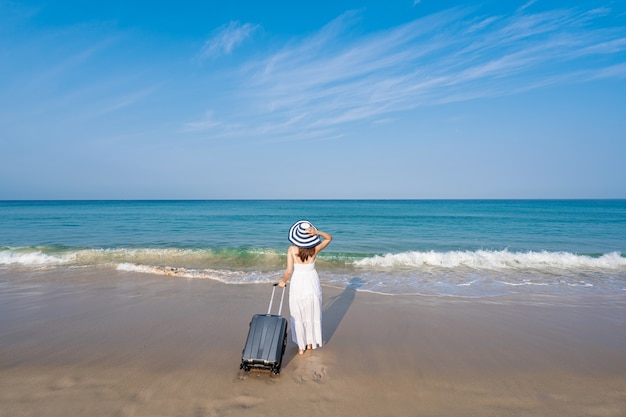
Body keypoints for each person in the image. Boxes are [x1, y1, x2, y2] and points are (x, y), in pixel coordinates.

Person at [278, 220, 332, 355]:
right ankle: (309, 344)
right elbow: (329, 238)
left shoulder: (291, 250)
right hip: (312, 281)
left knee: (298, 313)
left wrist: (283, 281)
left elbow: (289, 271)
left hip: (298, 283)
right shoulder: (315, 249)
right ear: (310, 235)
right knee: (311, 312)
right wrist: (317, 232)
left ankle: (301, 348)